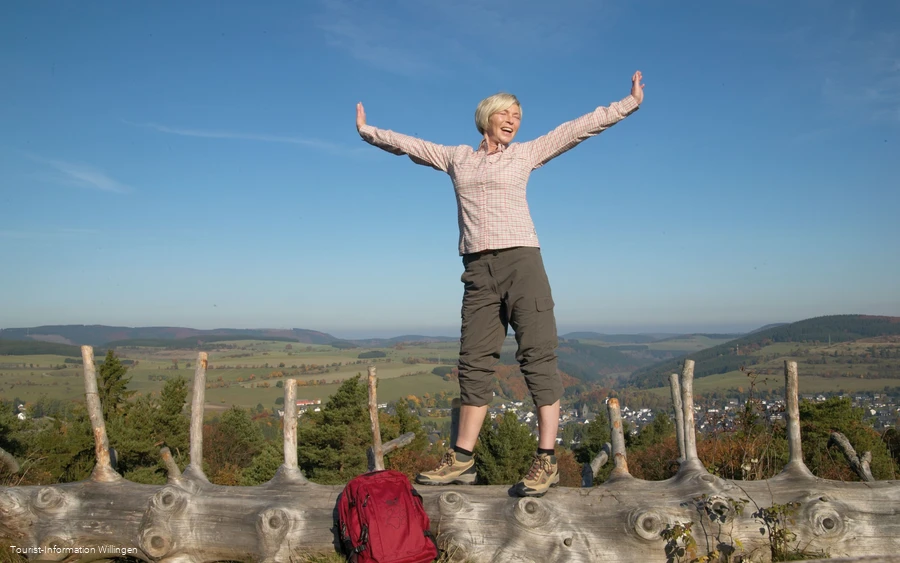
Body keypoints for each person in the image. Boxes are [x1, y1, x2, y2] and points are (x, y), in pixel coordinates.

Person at [356, 71, 645, 497]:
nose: (513, 120)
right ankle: (461, 458)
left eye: (518, 115)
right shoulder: (457, 158)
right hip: (477, 271)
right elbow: (410, 146)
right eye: (505, 113)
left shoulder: (524, 155)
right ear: (486, 117)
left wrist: (628, 103)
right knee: (473, 362)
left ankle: (545, 460)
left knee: (537, 356)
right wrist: (369, 133)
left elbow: (576, 129)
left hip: (522, 263)